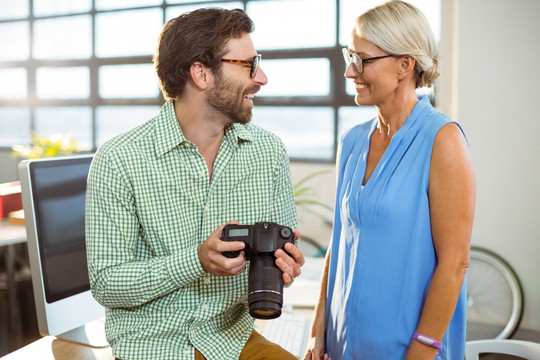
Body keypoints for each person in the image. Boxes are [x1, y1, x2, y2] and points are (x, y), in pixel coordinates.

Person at [85, 8, 305, 360]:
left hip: (230, 340)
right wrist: (196, 261)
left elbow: (285, 247)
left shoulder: (268, 152)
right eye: (248, 64)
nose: (261, 77)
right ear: (201, 74)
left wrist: (285, 264)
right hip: (153, 344)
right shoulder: (119, 159)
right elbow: (108, 285)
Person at [304, 1, 475, 360]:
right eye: (350, 55)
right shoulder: (352, 142)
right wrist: (318, 331)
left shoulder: (442, 140)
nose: (351, 71)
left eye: (363, 59)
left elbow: (455, 262)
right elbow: (341, 240)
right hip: (342, 344)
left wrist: (421, 353)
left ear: (404, 65)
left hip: (408, 351)